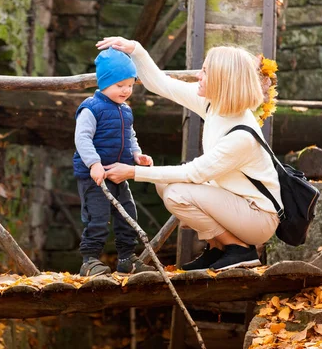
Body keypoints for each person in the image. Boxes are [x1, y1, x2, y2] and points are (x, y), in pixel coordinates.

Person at [96, 37, 282, 272]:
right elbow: (162, 84)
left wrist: (132, 172)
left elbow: (194, 172)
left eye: (204, 72)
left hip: (258, 218)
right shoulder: (213, 105)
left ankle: (238, 250)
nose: (198, 77)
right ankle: (217, 248)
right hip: (237, 204)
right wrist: (136, 49)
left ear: (222, 80)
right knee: (164, 186)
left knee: (175, 192)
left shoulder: (241, 135)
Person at [73, 47, 157, 276]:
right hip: (95, 176)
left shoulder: (125, 111)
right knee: (97, 218)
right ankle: (90, 260)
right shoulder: (91, 108)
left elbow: (129, 136)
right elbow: (82, 138)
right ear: (104, 83)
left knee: (127, 215)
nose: (126, 90)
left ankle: (126, 258)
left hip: (118, 174)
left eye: (130, 85)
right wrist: (94, 164)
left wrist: (136, 155)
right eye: (120, 85)